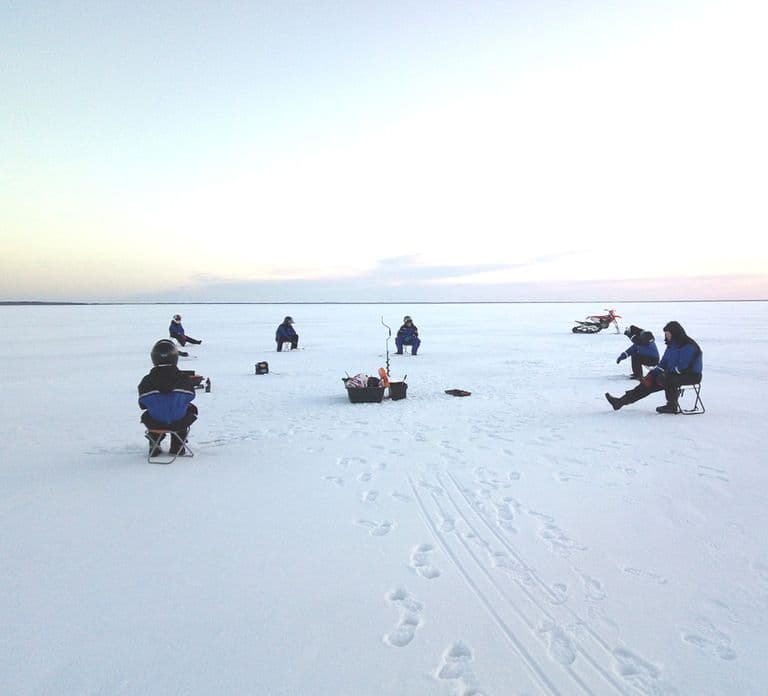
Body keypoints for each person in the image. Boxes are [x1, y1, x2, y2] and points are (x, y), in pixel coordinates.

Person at [605, 321, 702, 414]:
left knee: (668, 379)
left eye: (668, 334)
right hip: (673, 374)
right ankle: (620, 402)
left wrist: (665, 373)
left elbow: (682, 366)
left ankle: (672, 406)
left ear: (675, 333)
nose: (666, 336)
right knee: (648, 383)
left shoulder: (688, 345)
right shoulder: (671, 345)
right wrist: (653, 374)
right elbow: (663, 363)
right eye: (666, 334)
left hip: (691, 376)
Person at [138, 339, 198, 455]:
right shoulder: (183, 379)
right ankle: (177, 445)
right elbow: (191, 396)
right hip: (179, 421)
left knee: (148, 413)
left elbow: (142, 404)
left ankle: (154, 443)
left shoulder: (147, 381)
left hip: (155, 422)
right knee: (191, 409)